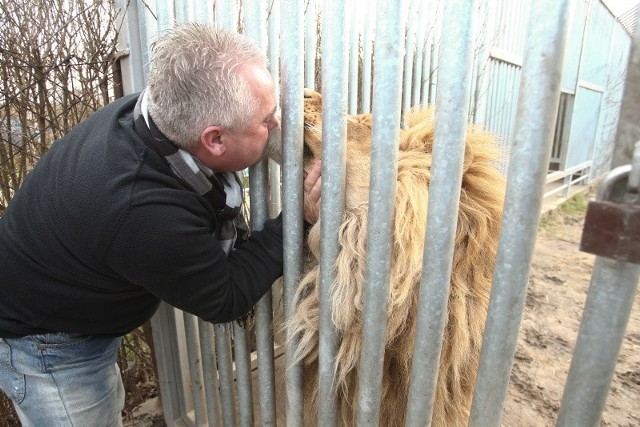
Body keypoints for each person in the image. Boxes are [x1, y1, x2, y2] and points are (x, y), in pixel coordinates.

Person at [0, 23, 321, 426]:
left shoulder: (158, 112)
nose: (278, 123)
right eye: (268, 119)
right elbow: (225, 297)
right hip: (47, 342)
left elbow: (253, 135)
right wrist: (298, 217)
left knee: (106, 402)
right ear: (215, 140)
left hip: (69, 299)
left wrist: (315, 149)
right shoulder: (145, 212)